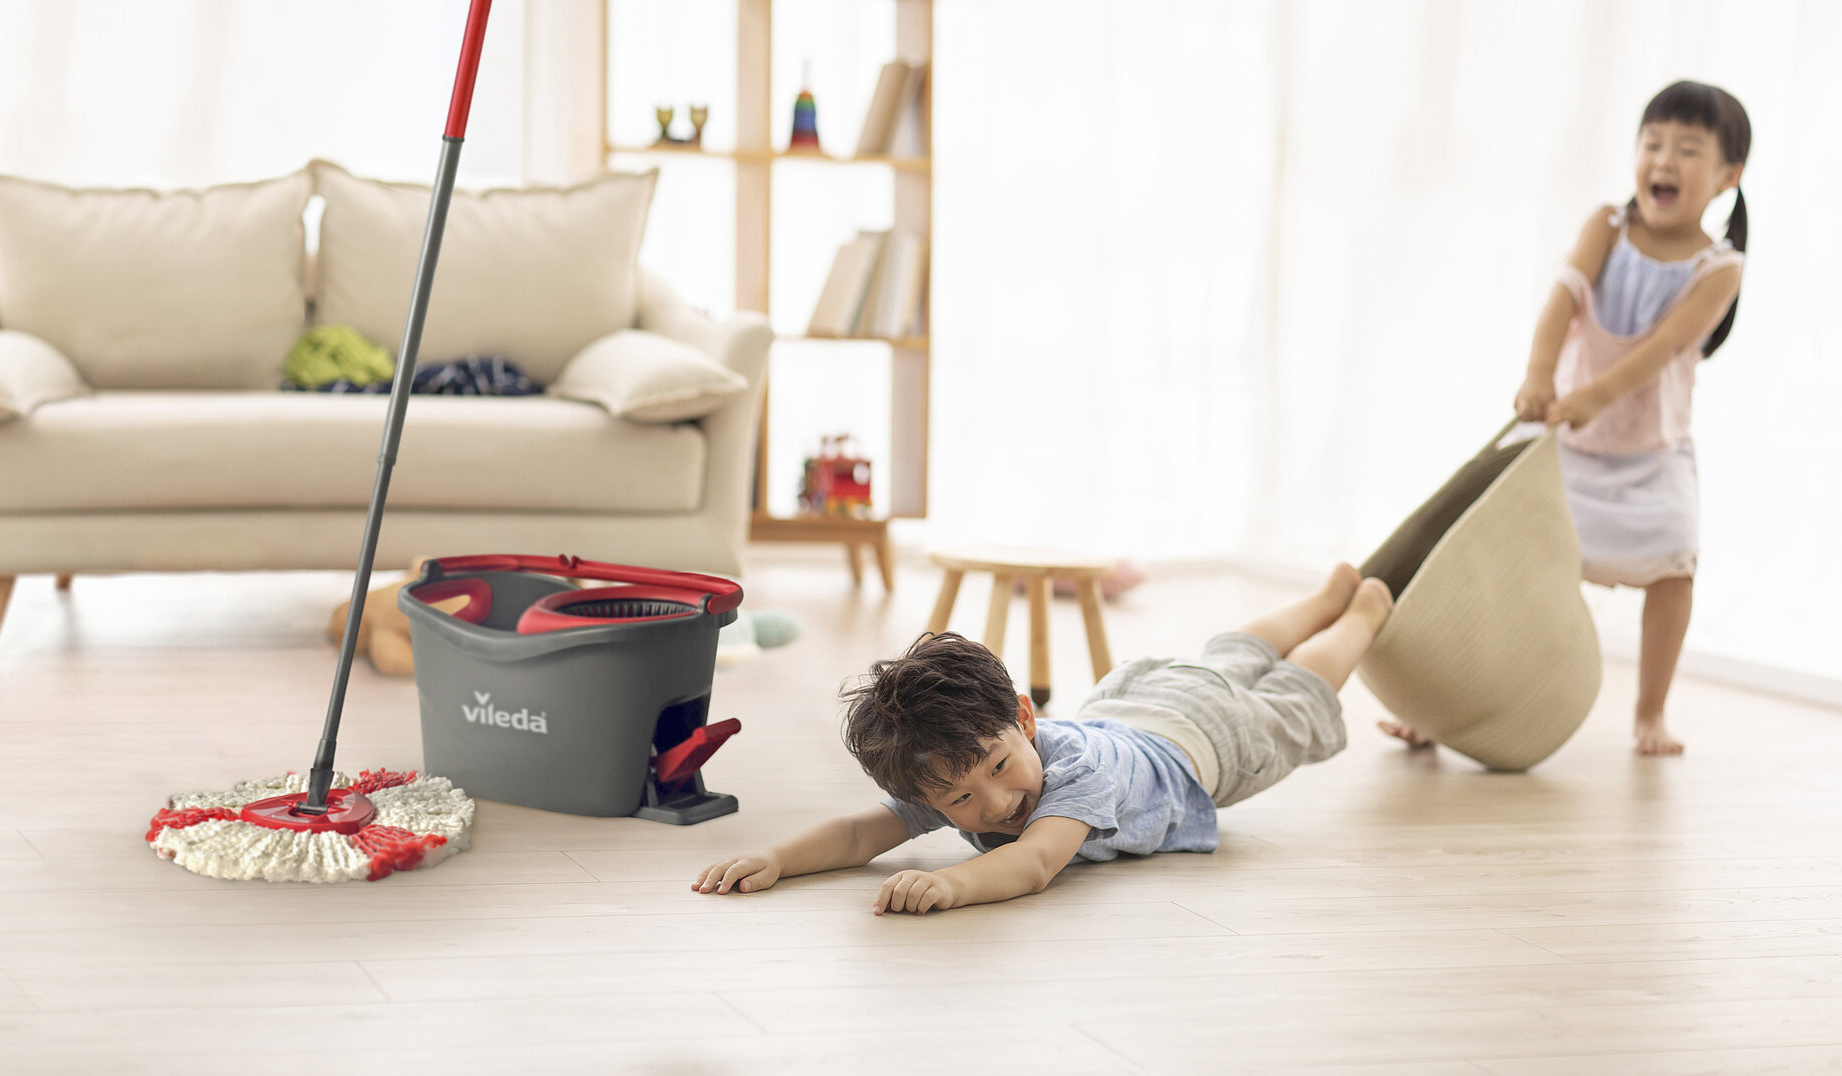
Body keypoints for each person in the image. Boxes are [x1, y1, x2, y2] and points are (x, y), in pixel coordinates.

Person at [1381, 81, 1749, 756]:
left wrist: (1596, 396)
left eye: (1688, 150)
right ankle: (1438, 707)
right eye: (1653, 143)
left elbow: (1666, 345)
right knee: (1492, 563)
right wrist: (1540, 374)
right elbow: (1563, 300)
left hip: (1649, 452)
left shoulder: (1720, 267)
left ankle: (1650, 713)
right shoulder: (1607, 225)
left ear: (1729, 175)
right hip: (1566, 448)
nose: (1663, 160)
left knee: (1673, 570)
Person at [693, 566, 1392, 914]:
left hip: (1208, 745)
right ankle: (1321, 600)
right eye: (960, 798)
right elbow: (856, 836)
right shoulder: (950, 764)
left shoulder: (1073, 775)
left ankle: (1358, 613)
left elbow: (1031, 866)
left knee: (1294, 694)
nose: (998, 803)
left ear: (1026, 718)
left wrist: (949, 882)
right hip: (1137, 703)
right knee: (1227, 658)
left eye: (1001, 766)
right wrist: (775, 859)